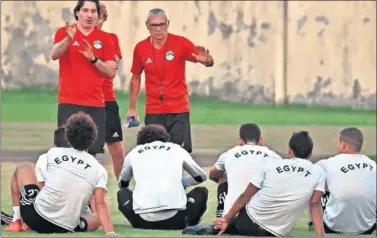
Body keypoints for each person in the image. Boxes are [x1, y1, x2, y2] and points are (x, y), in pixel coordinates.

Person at [184, 131, 326, 238]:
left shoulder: (271, 166)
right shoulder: (318, 172)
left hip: (247, 224)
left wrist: (227, 218)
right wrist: (321, 236)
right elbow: (315, 205)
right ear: (311, 152)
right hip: (277, 232)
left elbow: (246, 196)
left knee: (235, 221)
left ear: (289, 150)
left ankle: (218, 226)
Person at [4, 112, 116, 235]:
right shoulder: (99, 168)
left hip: (36, 219)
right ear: (92, 138)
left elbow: (41, 186)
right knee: (96, 217)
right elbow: (100, 204)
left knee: (24, 167)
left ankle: (16, 221)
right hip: (66, 226)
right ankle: (77, 224)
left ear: (68, 135)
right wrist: (110, 232)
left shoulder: (53, 153)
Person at [126, 8, 215, 153]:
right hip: (154, 109)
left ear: (168, 24)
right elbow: (135, 77)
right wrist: (132, 108)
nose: (159, 29)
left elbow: (206, 60)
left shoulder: (181, 43)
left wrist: (207, 60)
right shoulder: (141, 48)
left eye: (162, 24)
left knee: (178, 154)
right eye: (154, 25)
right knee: (153, 154)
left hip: (178, 108)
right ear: (147, 26)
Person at [51, 0, 116, 157]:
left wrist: (93, 58)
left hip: (95, 104)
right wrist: (68, 39)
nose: (89, 15)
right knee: (66, 151)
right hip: (69, 102)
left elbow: (111, 71)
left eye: (93, 12)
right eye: (85, 10)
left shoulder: (105, 39)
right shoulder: (65, 32)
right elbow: (54, 54)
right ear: (77, 13)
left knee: (91, 154)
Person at [117, 124, 208, 230]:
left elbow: (122, 184)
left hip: (142, 222)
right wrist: (183, 182)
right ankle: (191, 224)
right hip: (177, 221)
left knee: (122, 193)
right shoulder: (177, 149)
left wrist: (138, 192)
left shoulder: (134, 153)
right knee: (202, 191)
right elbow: (201, 177)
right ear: (165, 138)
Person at [208, 123, 282, 219]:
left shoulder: (229, 154)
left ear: (240, 140)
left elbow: (212, 174)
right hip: (262, 219)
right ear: (261, 140)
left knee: (223, 176)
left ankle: (221, 212)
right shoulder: (274, 156)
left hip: (231, 217)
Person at [314, 127, 376, 235]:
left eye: (338, 142)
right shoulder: (373, 165)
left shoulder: (327, 164)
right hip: (367, 227)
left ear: (343, 145)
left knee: (318, 189)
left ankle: (314, 223)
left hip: (333, 227)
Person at [95, 2, 125, 179]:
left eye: (99, 16)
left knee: (116, 147)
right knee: (85, 148)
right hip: (83, 100)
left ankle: (124, 189)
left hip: (106, 99)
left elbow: (111, 66)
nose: (95, 19)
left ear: (103, 18)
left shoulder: (110, 38)